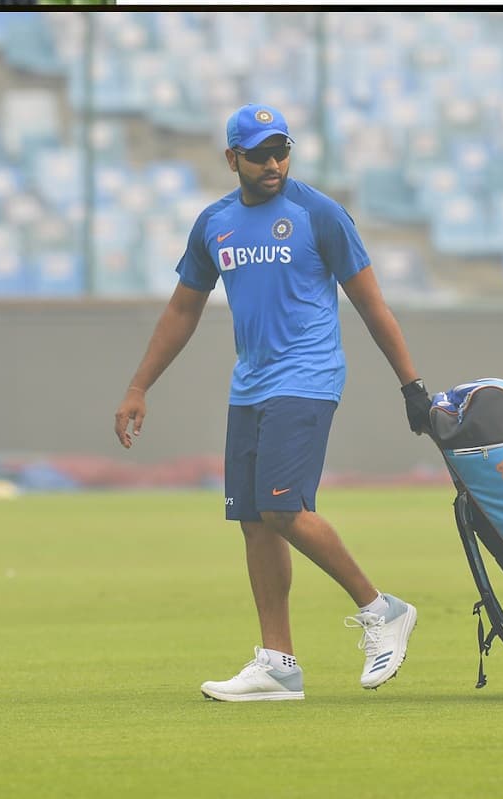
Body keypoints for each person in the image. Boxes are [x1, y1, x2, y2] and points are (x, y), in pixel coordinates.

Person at [114, 104, 433, 702]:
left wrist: (410, 384)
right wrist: (139, 387)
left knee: (284, 509)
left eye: (281, 150)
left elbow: (371, 303)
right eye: (259, 153)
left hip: (307, 379)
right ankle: (279, 665)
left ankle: (381, 609)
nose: (273, 163)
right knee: (256, 524)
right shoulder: (214, 223)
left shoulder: (319, 214)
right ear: (232, 158)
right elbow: (183, 308)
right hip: (251, 386)